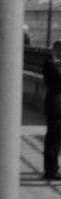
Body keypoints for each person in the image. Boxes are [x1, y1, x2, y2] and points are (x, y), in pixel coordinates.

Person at [44, 40, 61, 181]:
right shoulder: (49, 64)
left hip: (58, 106)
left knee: (56, 140)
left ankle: (53, 168)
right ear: (55, 49)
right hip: (55, 106)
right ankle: (50, 170)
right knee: (53, 140)